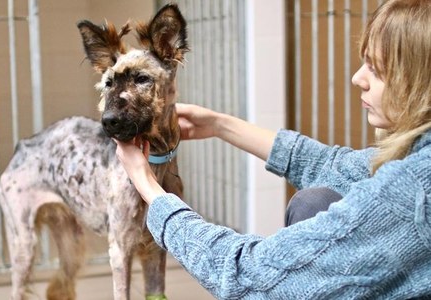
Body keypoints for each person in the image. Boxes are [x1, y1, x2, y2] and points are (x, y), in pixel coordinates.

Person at [113, 0, 431, 298]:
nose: (356, 78)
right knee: (314, 202)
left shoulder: (415, 189)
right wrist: (221, 125)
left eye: (376, 69)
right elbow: (344, 167)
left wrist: (150, 189)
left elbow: (252, 278)